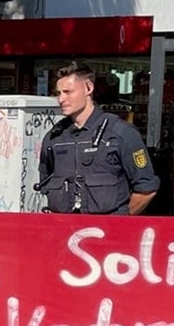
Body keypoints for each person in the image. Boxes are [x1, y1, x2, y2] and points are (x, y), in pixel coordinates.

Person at [36, 62, 159, 215]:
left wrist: (119, 221)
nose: (61, 99)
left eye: (67, 92)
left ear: (89, 88)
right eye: (58, 93)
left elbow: (146, 189)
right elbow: (45, 182)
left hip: (109, 234)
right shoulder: (55, 138)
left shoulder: (121, 133)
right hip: (64, 232)